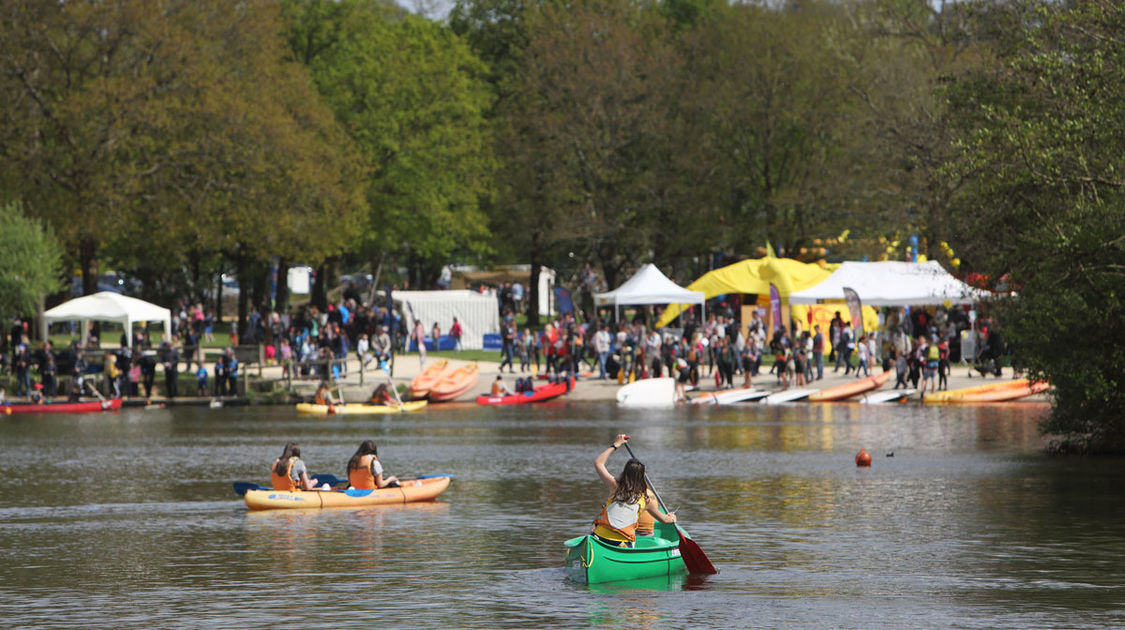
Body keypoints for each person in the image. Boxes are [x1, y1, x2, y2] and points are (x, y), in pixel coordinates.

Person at [592, 434, 677, 548]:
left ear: (625, 472)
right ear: (642, 476)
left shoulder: (615, 487)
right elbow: (664, 520)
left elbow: (598, 463)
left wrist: (616, 445)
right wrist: (672, 518)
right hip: (623, 544)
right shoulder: (647, 499)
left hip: (600, 539)